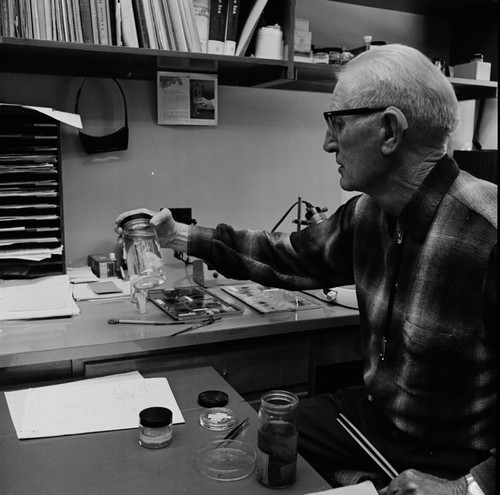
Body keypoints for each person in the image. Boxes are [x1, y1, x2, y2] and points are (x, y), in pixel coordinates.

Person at [115, 44, 497, 494]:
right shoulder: (369, 215)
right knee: (264, 439)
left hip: (458, 452)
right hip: (375, 421)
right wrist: (177, 236)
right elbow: (284, 255)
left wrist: (468, 488)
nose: (327, 142)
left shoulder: (488, 232)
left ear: (390, 130)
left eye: (337, 122)